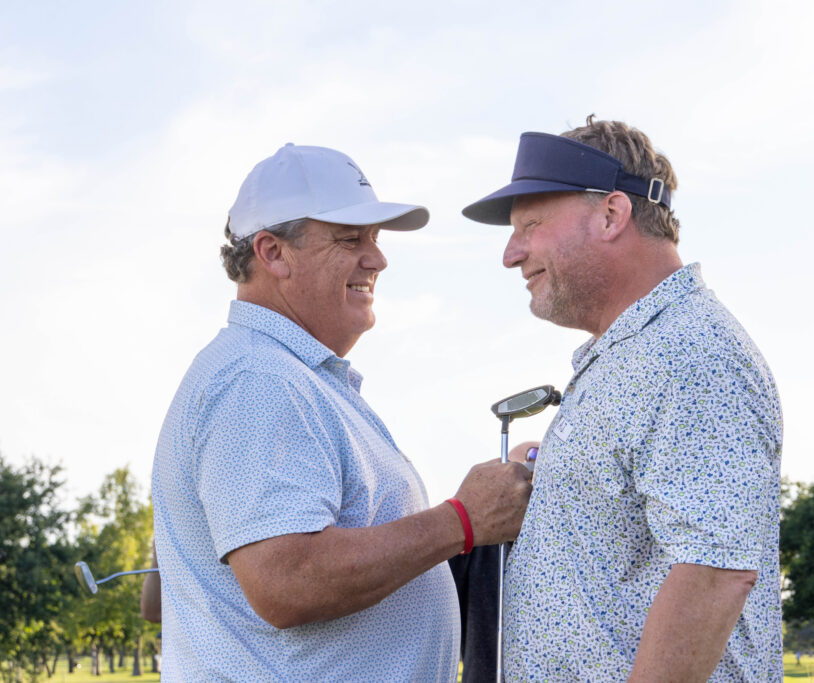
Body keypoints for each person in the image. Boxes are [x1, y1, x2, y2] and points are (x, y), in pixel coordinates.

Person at [151, 143, 533, 681]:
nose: (377, 258)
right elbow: (284, 581)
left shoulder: (285, 375)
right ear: (273, 253)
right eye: (350, 239)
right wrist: (463, 521)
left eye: (375, 240)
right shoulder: (258, 379)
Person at [462, 117, 785, 681]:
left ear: (612, 215)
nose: (511, 254)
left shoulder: (690, 353)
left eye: (530, 225)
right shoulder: (639, 352)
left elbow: (713, 572)